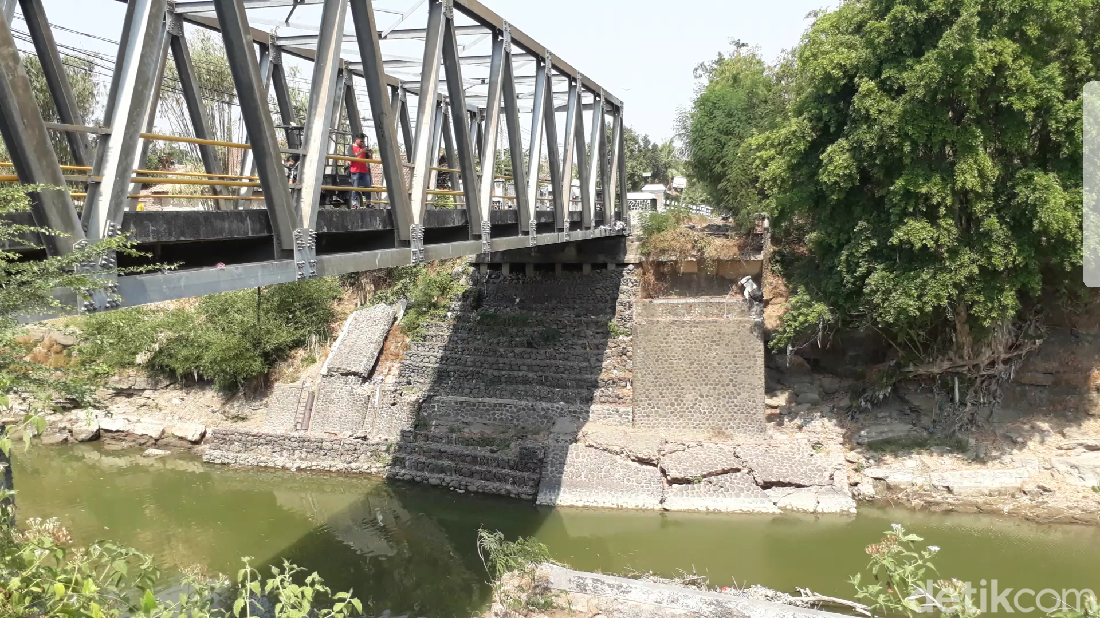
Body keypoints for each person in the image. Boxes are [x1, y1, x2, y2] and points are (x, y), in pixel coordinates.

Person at [349, 135, 372, 208]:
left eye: (363, 141)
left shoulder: (364, 149)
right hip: (355, 171)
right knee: (355, 187)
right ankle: (354, 204)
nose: (363, 142)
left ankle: (368, 203)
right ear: (356, 140)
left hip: (364, 171)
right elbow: (352, 156)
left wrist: (371, 153)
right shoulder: (351, 147)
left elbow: (370, 159)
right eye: (361, 141)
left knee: (368, 187)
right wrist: (361, 151)